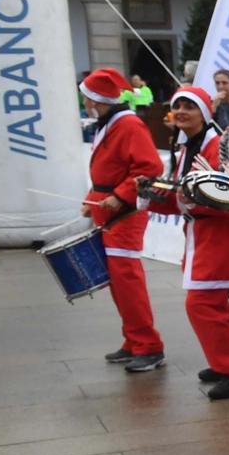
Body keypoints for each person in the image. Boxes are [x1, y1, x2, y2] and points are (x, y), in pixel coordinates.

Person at [159, 86, 229, 401]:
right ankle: (224, 362)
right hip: (201, 237)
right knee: (211, 305)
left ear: (204, 111)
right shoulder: (187, 146)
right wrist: (151, 194)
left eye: (190, 106)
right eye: (179, 106)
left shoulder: (221, 144)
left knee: (202, 304)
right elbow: (183, 193)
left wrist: (187, 200)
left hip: (221, 238)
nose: (183, 112)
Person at [80, 68, 166, 371]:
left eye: (86, 96)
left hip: (124, 213)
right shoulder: (112, 123)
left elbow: (149, 167)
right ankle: (133, 339)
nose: (84, 101)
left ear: (95, 99)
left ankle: (148, 345)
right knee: (118, 282)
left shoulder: (128, 125)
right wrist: (93, 199)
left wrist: (118, 196)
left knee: (127, 281)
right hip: (109, 209)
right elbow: (109, 169)